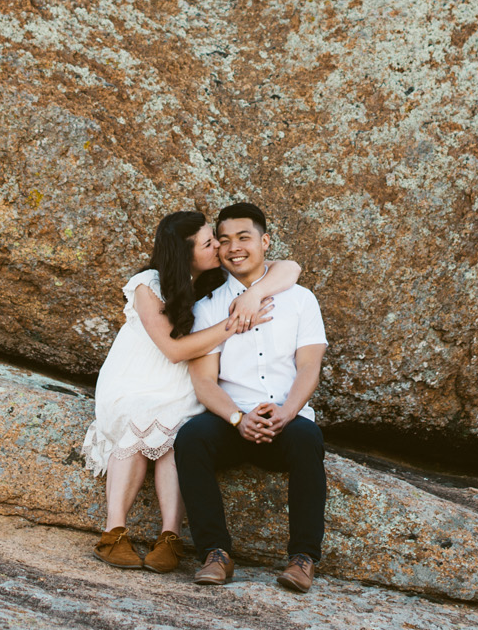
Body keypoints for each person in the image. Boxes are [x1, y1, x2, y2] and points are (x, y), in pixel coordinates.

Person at [80, 210, 303, 572]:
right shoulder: (148, 285)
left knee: (178, 429)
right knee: (142, 419)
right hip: (137, 378)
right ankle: (113, 533)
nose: (219, 246)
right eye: (209, 242)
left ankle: (169, 537)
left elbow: (290, 268)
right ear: (185, 253)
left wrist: (254, 294)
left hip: (182, 381)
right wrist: (235, 323)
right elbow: (173, 350)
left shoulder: (215, 280)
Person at [173, 202, 328, 593]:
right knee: (191, 439)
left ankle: (302, 559)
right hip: (231, 420)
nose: (233, 247)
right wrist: (238, 420)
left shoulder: (300, 299)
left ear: (265, 242)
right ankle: (216, 554)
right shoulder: (206, 305)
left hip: (285, 419)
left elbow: (310, 365)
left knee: (310, 439)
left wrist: (286, 412)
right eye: (223, 240)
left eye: (244, 237)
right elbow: (204, 381)